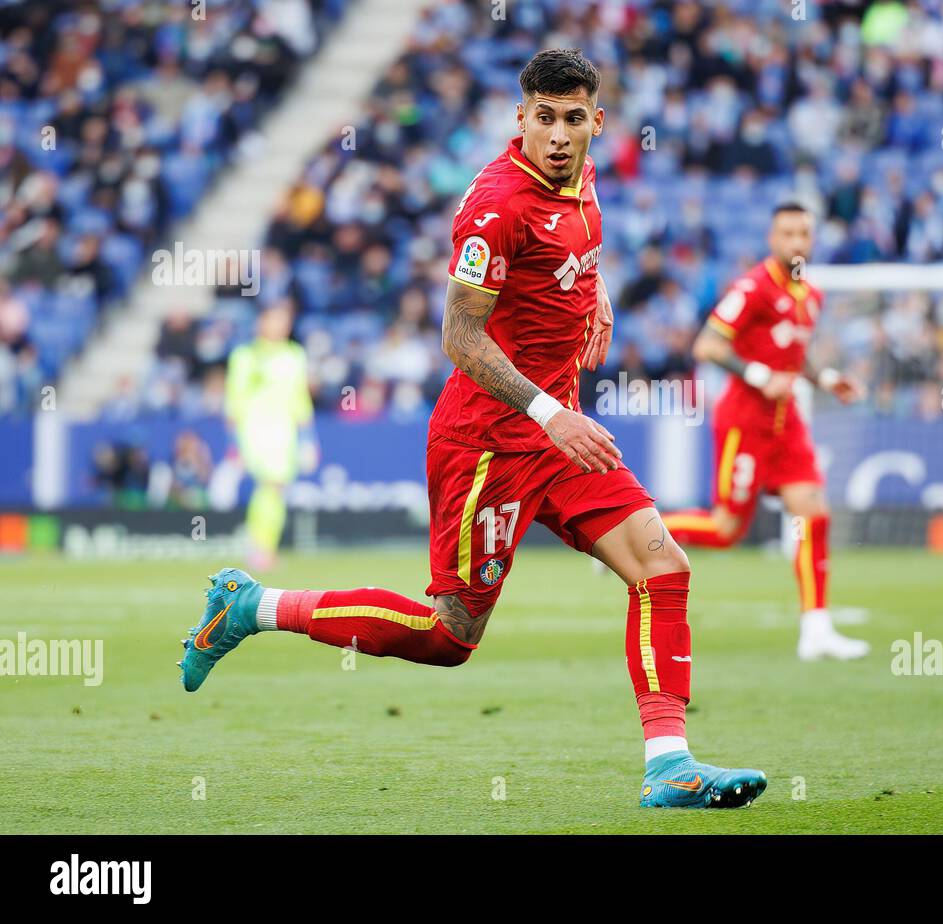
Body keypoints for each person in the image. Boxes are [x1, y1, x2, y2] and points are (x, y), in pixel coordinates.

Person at [178, 49, 766, 810]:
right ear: (520, 118)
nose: (558, 135)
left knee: (663, 568)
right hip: (489, 441)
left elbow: (571, 246)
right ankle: (252, 606)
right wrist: (551, 413)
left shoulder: (582, 177)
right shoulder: (496, 204)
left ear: (597, 122)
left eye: (573, 119)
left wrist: (597, 294)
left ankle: (669, 765)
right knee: (449, 635)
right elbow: (460, 338)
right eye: (543, 119)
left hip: (557, 434)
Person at [662, 204, 869, 661]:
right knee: (725, 528)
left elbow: (795, 358)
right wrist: (758, 375)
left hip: (785, 420)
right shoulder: (753, 287)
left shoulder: (810, 294)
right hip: (745, 420)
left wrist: (828, 378)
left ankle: (816, 629)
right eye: (788, 233)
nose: (797, 242)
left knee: (814, 512)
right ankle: (639, 534)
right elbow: (708, 344)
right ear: (773, 239)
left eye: (804, 234)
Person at [223, 301, 316, 570]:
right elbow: (234, 399)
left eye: (284, 320)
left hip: (284, 431)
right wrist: (233, 442)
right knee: (271, 483)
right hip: (254, 429)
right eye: (274, 319)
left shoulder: (294, 355)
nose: (280, 326)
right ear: (261, 323)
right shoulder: (245, 356)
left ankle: (263, 546)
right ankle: (260, 548)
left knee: (276, 488)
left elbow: (300, 398)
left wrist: (308, 437)